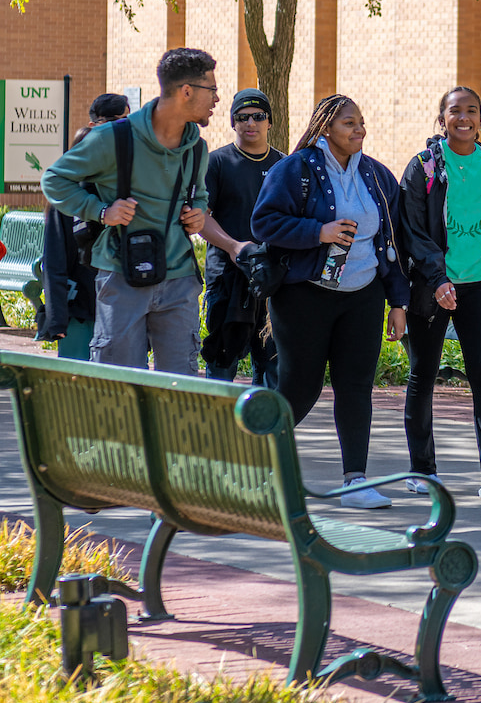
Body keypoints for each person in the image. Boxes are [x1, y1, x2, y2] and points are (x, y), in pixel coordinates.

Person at [251, 94, 409, 509]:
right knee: (299, 388)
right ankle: (255, 466)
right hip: (305, 295)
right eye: (348, 124)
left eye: (361, 123)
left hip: (363, 295)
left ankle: (355, 481)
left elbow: (390, 241)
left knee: (356, 389)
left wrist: (397, 301)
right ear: (325, 128)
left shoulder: (376, 175)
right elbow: (264, 222)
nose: (359, 130)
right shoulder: (296, 169)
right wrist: (317, 232)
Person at [42, 48, 214, 374]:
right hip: (121, 277)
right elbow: (54, 180)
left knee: (181, 389)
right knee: (118, 389)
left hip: (180, 281)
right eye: (212, 90)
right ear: (186, 91)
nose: (216, 100)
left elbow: (200, 196)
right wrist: (101, 210)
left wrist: (198, 213)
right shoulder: (113, 138)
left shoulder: (197, 147)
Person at [400, 86, 481, 500]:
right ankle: (422, 470)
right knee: (422, 375)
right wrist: (437, 279)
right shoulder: (422, 168)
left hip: (479, 286)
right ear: (442, 119)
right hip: (431, 286)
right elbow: (413, 232)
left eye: (472, 111)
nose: (464, 118)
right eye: (455, 111)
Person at [198, 88, 284, 386]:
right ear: (233, 122)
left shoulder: (284, 165)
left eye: (258, 116)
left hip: (273, 282)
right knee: (222, 363)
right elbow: (199, 217)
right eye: (242, 117)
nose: (251, 123)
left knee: (272, 367)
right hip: (227, 279)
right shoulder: (216, 163)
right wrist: (234, 247)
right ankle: (217, 432)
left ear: (269, 122)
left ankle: (261, 432)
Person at [39, 93, 131, 358]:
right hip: (81, 311)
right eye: (115, 122)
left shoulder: (129, 184)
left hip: (119, 307)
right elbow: (54, 261)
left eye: (127, 123)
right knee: (78, 389)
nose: (121, 131)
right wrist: (57, 318)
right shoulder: (68, 194)